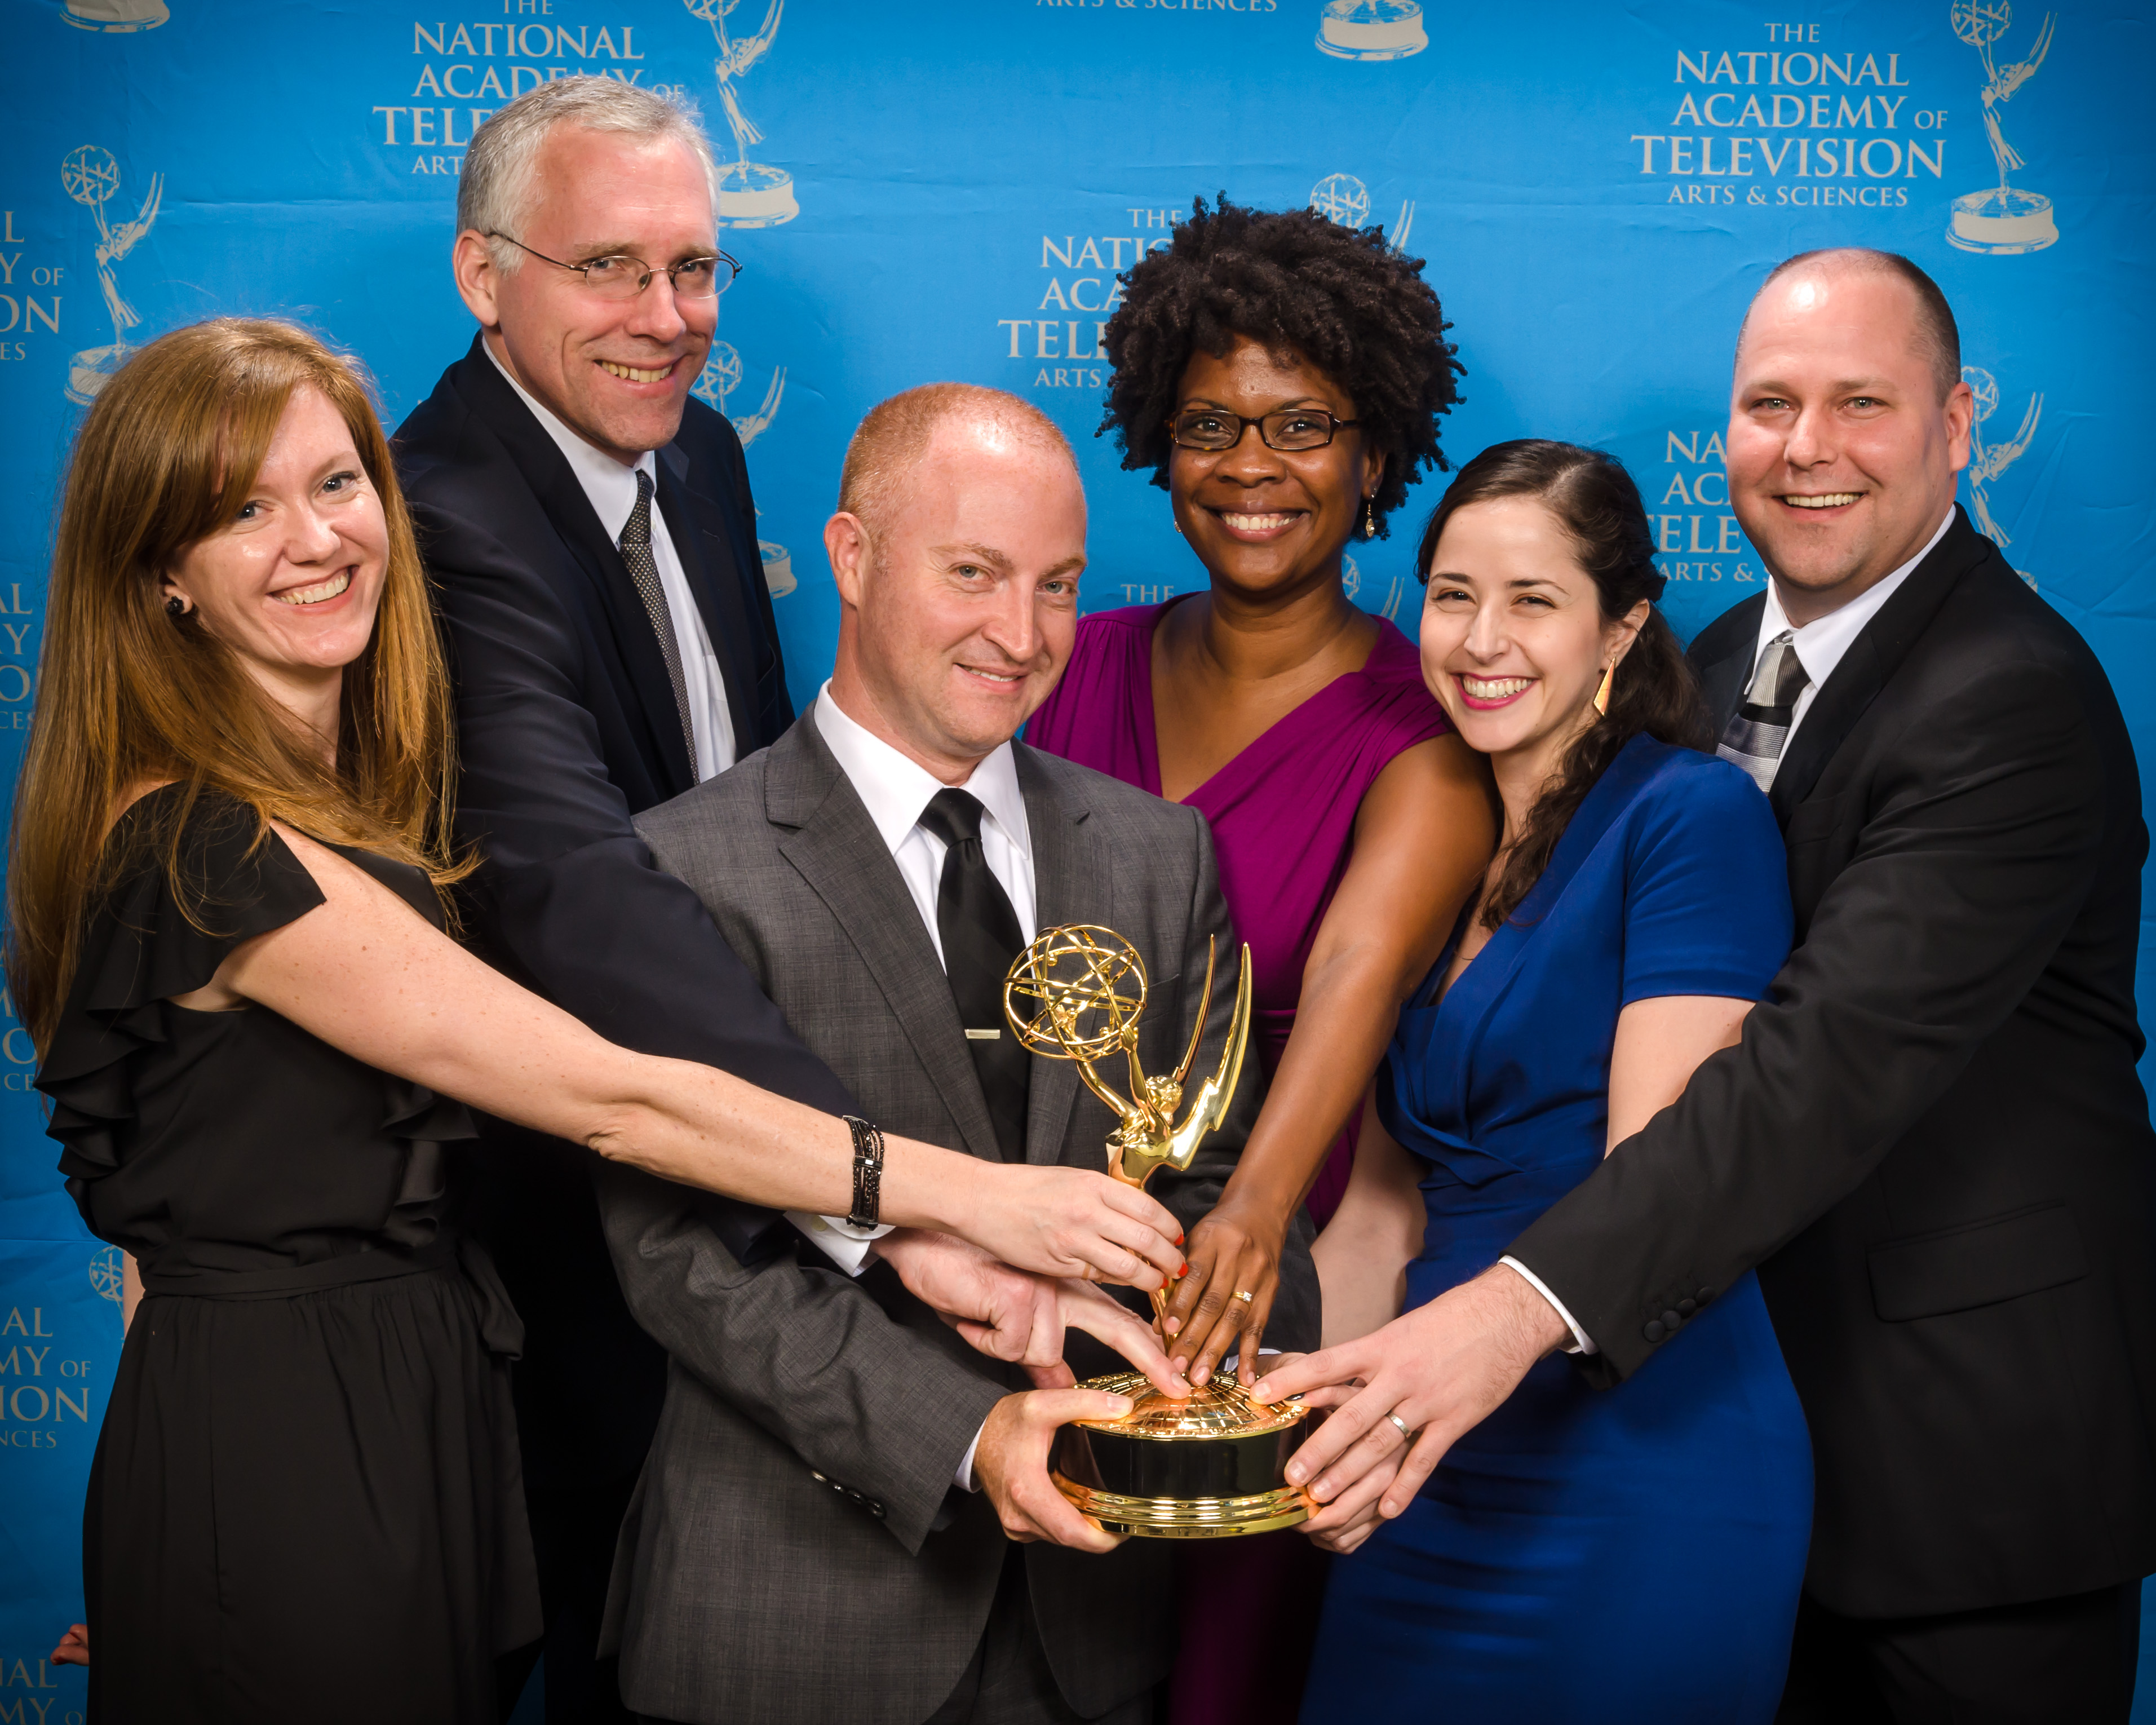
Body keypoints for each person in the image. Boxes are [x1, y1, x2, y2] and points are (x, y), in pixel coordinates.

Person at [15, 322, 1190, 1725]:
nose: (315, 539)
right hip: (297, 1453)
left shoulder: (356, 823)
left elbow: (168, 1228)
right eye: (242, 509)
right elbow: (618, 1101)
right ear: (163, 577)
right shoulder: (207, 850)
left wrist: (166, 1511)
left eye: (336, 485)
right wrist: (961, 1204)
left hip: (401, 1426)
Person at [1262, 250, 2156, 1721]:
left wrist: (1499, 1316)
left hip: (1964, 1469)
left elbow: (1808, 1075)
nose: (1807, 449)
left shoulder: (2011, 692)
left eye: (1860, 403)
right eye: (1768, 405)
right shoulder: (1719, 664)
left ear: (1957, 423)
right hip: (1726, 1402)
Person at [393, 78, 996, 1717]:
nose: (670, 321)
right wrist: (878, 1190)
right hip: (572, 1236)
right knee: (611, 1653)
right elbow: (582, 897)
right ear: (482, 276)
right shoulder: (439, 516)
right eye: (609, 269)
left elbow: (749, 820)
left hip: (748, 1207)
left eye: (697, 270)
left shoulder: (703, 455)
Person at [597, 383, 1322, 1725]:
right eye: (974, 573)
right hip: (791, 1626)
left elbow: (1213, 1179)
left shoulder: (1158, 855)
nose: (1020, 632)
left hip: (1090, 1632)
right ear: (853, 557)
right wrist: (969, 1438)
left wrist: (1227, 1347)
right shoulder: (684, 865)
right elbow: (684, 1260)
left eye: (1056, 586)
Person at [1022, 196, 1494, 1724]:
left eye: (1302, 424)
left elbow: (1352, 979)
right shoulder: (1061, 667)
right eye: (1210, 422)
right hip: (1023, 1284)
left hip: (1265, 1302)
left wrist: (1240, 1220)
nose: (1251, 466)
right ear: (1159, 445)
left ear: (1375, 461)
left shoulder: (1419, 735)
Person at [1281, 439, 1810, 1719]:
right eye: (1453, 594)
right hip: (1426, 1451)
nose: (1480, 640)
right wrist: (1299, 1417)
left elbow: (1655, 1187)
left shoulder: (1688, 817)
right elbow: (1378, 1214)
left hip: (1635, 1460)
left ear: (1619, 627)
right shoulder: (1436, 835)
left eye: (1533, 601)